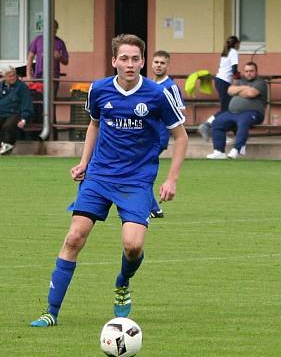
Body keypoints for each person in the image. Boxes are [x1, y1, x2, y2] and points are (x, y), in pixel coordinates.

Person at [30, 34, 188, 328]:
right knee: (74, 236)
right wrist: (84, 163)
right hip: (100, 175)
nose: (130, 64)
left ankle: (123, 282)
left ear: (143, 61)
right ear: (114, 60)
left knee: (133, 247)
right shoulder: (99, 90)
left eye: (136, 59)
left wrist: (171, 179)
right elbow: (94, 124)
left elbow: (181, 137)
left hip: (137, 180)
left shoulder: (156, 94)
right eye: (124, 58)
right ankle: (50, 312)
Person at [149, 50, 186, 217]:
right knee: (140, 169)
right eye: (156, 62)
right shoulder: (149, 85)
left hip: (160, 136)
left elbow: (181, 111)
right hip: (148, 136)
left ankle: (152, 208)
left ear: (168, 66)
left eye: (162, 63)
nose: (158, 65)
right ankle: (152, 208)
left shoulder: (170, 87)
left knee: (138, 169)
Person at [205, 61, 267, 159]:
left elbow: (251, 93)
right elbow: (230, 90)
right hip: (233, 112)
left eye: (251, 71)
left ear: (256, 71)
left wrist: (238, 92)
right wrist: (244, 88)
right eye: (246, 71)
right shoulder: (240, 81)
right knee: (217, 122)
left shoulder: (260, 82)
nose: (249, 73)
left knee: (243, 122)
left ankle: (236, 149)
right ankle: (219, 151)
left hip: (253, 112)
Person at [198, 35, 240, 140]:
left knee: (230, 108)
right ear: (236, 44)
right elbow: (234, 70)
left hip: (220, 80)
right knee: (226, 109)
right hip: (225, 82)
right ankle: (207, 125)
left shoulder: (225, 53)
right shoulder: (234, 52)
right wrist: (239, 77)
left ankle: (235, 132)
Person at [0, 64, 34, 155]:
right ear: (4, 77)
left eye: (14, 75)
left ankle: (7, 147)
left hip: (15, 114)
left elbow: (26, 104)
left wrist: (24, 119)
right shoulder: (1, 86)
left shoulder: (22, 87)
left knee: (8, 126)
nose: (13, 77)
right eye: (10, 76)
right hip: (2, 113)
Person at [26, 19, 70, 84]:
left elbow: (66, 62)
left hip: (53, 77)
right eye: (52, 28)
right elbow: (30, 57)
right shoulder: (38, 39)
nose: (54, 30)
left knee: (52, 94)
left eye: (55, 28)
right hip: (39, 76)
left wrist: (60, 57)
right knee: (38, 94)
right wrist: (28, 75)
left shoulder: (60, 42)